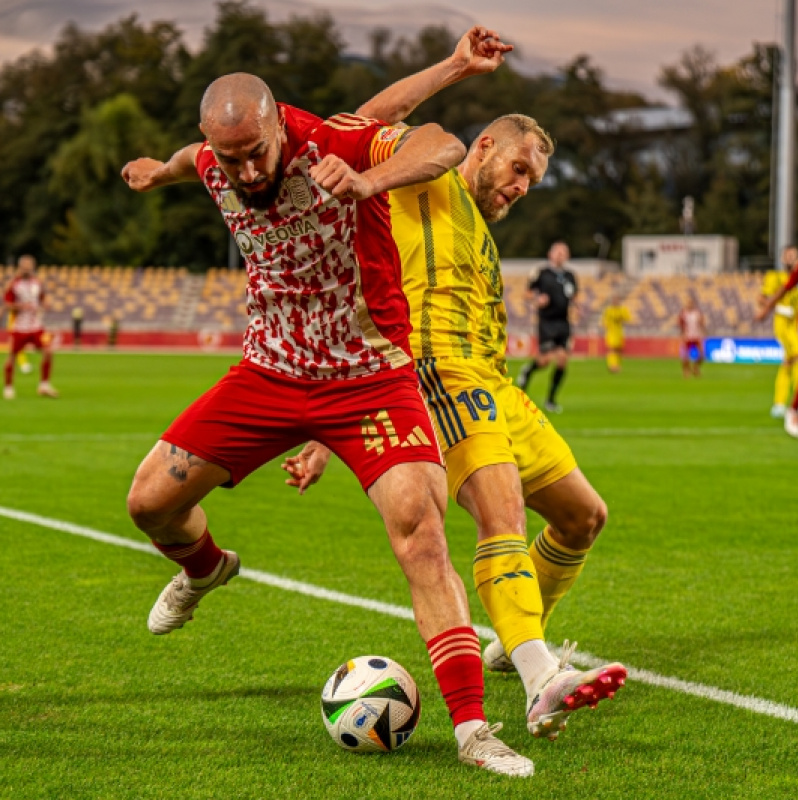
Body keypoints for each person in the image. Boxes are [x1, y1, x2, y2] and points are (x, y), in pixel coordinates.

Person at [121, 72, 533, 777]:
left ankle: (473, 731)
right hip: (270, 373)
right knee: (149, 502)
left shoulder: (335, 143)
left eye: (257, 151)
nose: (247, 170)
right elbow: (194, 161)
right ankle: (207, 570)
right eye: (231, 158)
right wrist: (162, 172)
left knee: (422, 535)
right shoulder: (216, 161)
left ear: (279, 125)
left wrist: (373, 182)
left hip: (369, 377)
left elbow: (442, 144)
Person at [282, 27, 626, 743]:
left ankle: (513, 639)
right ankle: (539, 678)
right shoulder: (428, 175)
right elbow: (362, 122)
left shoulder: (480, 227)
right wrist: (456, 68)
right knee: (500, 516)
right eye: (518, 168)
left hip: (494, 382)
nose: (522, 186)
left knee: (581, 517)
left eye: (533, 180)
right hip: (439, 372)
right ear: (485, 147)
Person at [516, 242, 578, 413]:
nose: (560, 255)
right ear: (550, 254)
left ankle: (551, 400)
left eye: (563, 252)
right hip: (547, 322)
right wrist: (537, 300)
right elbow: (528, 293)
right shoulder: (542, 273)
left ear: (567, 256)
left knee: (562, 361)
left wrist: (576, 308)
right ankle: (528, 371)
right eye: (557, 252)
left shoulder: (570, 276)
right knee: (545, 360)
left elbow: (574, 296)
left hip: (564, 322)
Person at [756, 253, 798, 437]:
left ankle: (787, 407)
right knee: (794, 359)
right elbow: (771, 295)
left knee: (790, 363)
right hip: (785, 325)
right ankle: (789, 408)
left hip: (794, 324)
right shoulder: (776, 276)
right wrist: (768, 309)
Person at [3, 255, 59, 399]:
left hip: (36, 327)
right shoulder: (13, 284)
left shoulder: (37, 283)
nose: (27, 268)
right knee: (12, 356)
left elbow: (42, 298)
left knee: (48, 351)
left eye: (30, 265)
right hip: (19, 327)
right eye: (25, 265)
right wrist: (21, 306)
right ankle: (8, 387)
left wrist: (45, 303)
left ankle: (44, 385)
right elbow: (7, 305)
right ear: (20, 267)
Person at [601, 291, 632, 373]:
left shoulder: (623, 309)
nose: (615, 301)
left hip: (619, 332)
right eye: (614, 299)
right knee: (612, 349)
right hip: (611, 333)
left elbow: (628, 319)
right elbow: (604, 321)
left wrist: (622, 318)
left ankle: (617, 365)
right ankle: (612, 366)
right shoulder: (608, 310)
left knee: (619, 350)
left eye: (616, 299)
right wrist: (606, 324)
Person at [677, 294, 706, 378]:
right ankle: (686, 370)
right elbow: (680, 324)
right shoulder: (683, 313)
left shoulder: (697, 313)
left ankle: (696, 367)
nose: (689, 305)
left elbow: (702, 323)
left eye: (690, 303)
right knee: (685, 356)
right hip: (687, 336)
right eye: (688, 303)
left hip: (697, 336)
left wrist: (703, 332)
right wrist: (682, 334)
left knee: (702, 354)